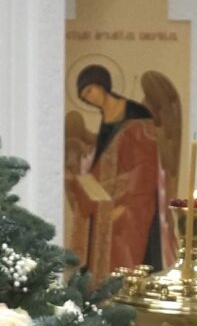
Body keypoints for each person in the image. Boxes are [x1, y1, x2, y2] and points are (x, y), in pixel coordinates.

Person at [67, 65, 164, 273]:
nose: (89, 98)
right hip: (108, 199)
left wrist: (126, 205)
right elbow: (105, 159)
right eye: (85, 97)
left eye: (89, 91)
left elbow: (146, 165)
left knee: (124, 252)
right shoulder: (106, 117)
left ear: (101, 84)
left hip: (136, 201)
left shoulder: (137, 113)